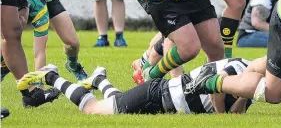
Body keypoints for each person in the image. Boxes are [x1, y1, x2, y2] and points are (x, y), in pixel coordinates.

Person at [16, 58, 255, 115]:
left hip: (162, 98)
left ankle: (100, 79)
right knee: (93, 109)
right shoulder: (238, 67)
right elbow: (215, 90)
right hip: (159, 96)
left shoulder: (253, 84)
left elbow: (233, 115)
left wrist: (246, 94)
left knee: (119, 103)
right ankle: (51, 77)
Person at [3, 0, 88, 80]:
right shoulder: (5, 8)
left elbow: (39, 53)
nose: (21, 22)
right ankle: (4, 64)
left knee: (73, 43)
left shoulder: (39, 9)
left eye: (22, 17)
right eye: (15, 18)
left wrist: (38, 84)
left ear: (27, 8)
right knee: (8, 36)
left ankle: (72, 65)